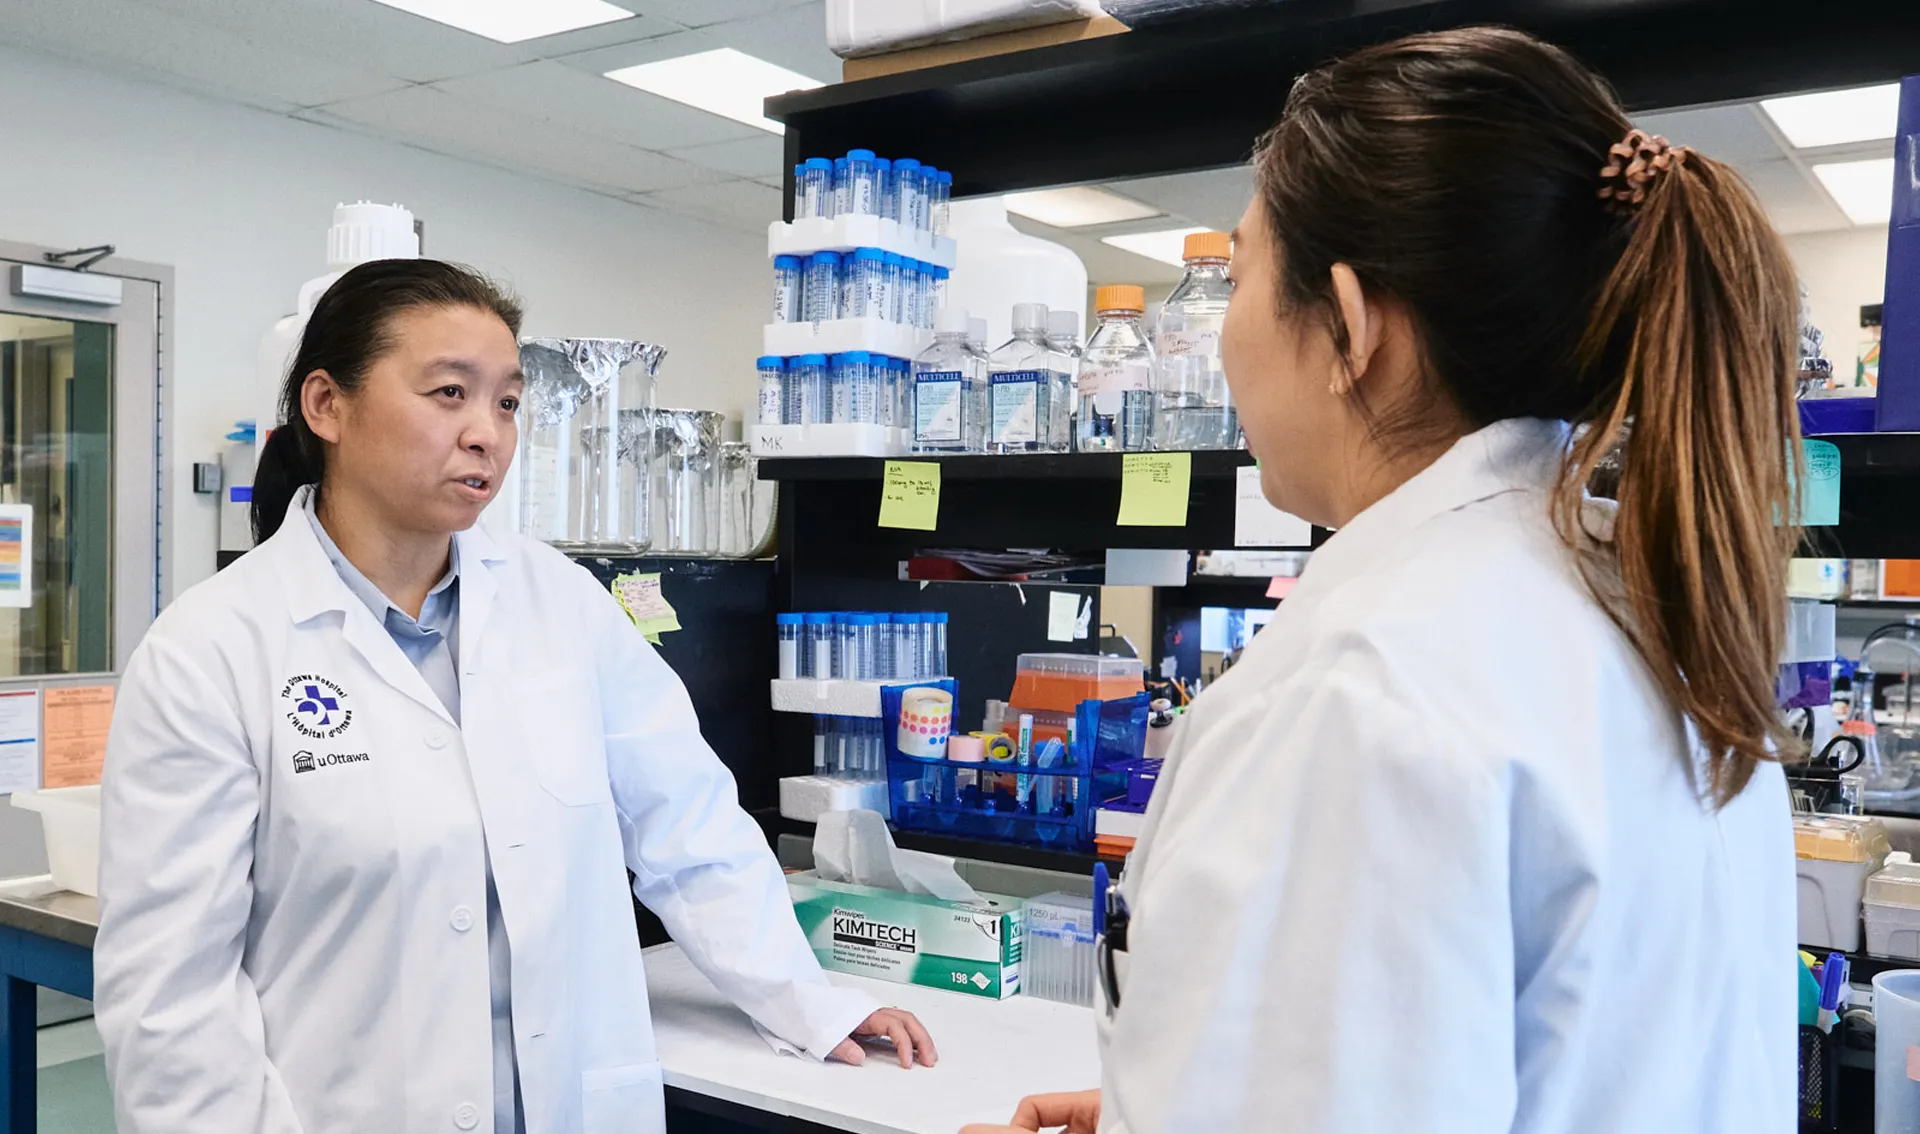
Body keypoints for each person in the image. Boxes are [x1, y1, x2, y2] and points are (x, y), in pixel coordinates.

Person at [964, 26, 1799, 1134]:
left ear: (1352, 326)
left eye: (1244, 276)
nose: (1217, 343)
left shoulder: (1356, 690)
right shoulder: (1654, 611)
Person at [95, 259, 934, 1134]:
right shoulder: (212, 650)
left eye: (505, 402)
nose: (486, 434)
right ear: (326, 405)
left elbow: (689, 826)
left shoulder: (564, 605)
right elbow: (171, 1001)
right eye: (448, 392)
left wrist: (807, 999)